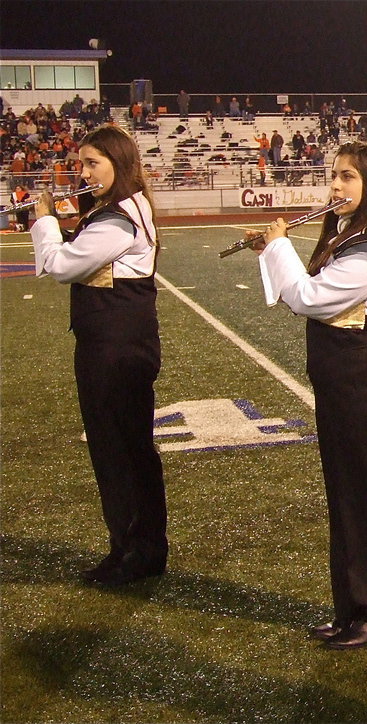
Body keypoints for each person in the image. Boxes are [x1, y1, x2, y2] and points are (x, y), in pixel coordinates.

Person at [248, 142, 367, 650]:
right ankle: (351, 607)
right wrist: (269, 251)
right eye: (335, 176)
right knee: (346, 498)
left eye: (349, 177)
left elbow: (310, 297)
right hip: (344, 382)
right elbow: (299, 294)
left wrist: (278, 245)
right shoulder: (349, 234)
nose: (336, 187)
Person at [29, 125, 167, 586]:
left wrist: (46, 220)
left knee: (118, 451)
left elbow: (62, 265)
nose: (84, 172)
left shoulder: (117, 217)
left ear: (119, 163)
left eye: (94, 163)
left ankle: (134, 552)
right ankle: (137, 548)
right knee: (127, 450)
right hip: (117, 342)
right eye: (82, 163)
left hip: (115, 348)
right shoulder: (121, 207)